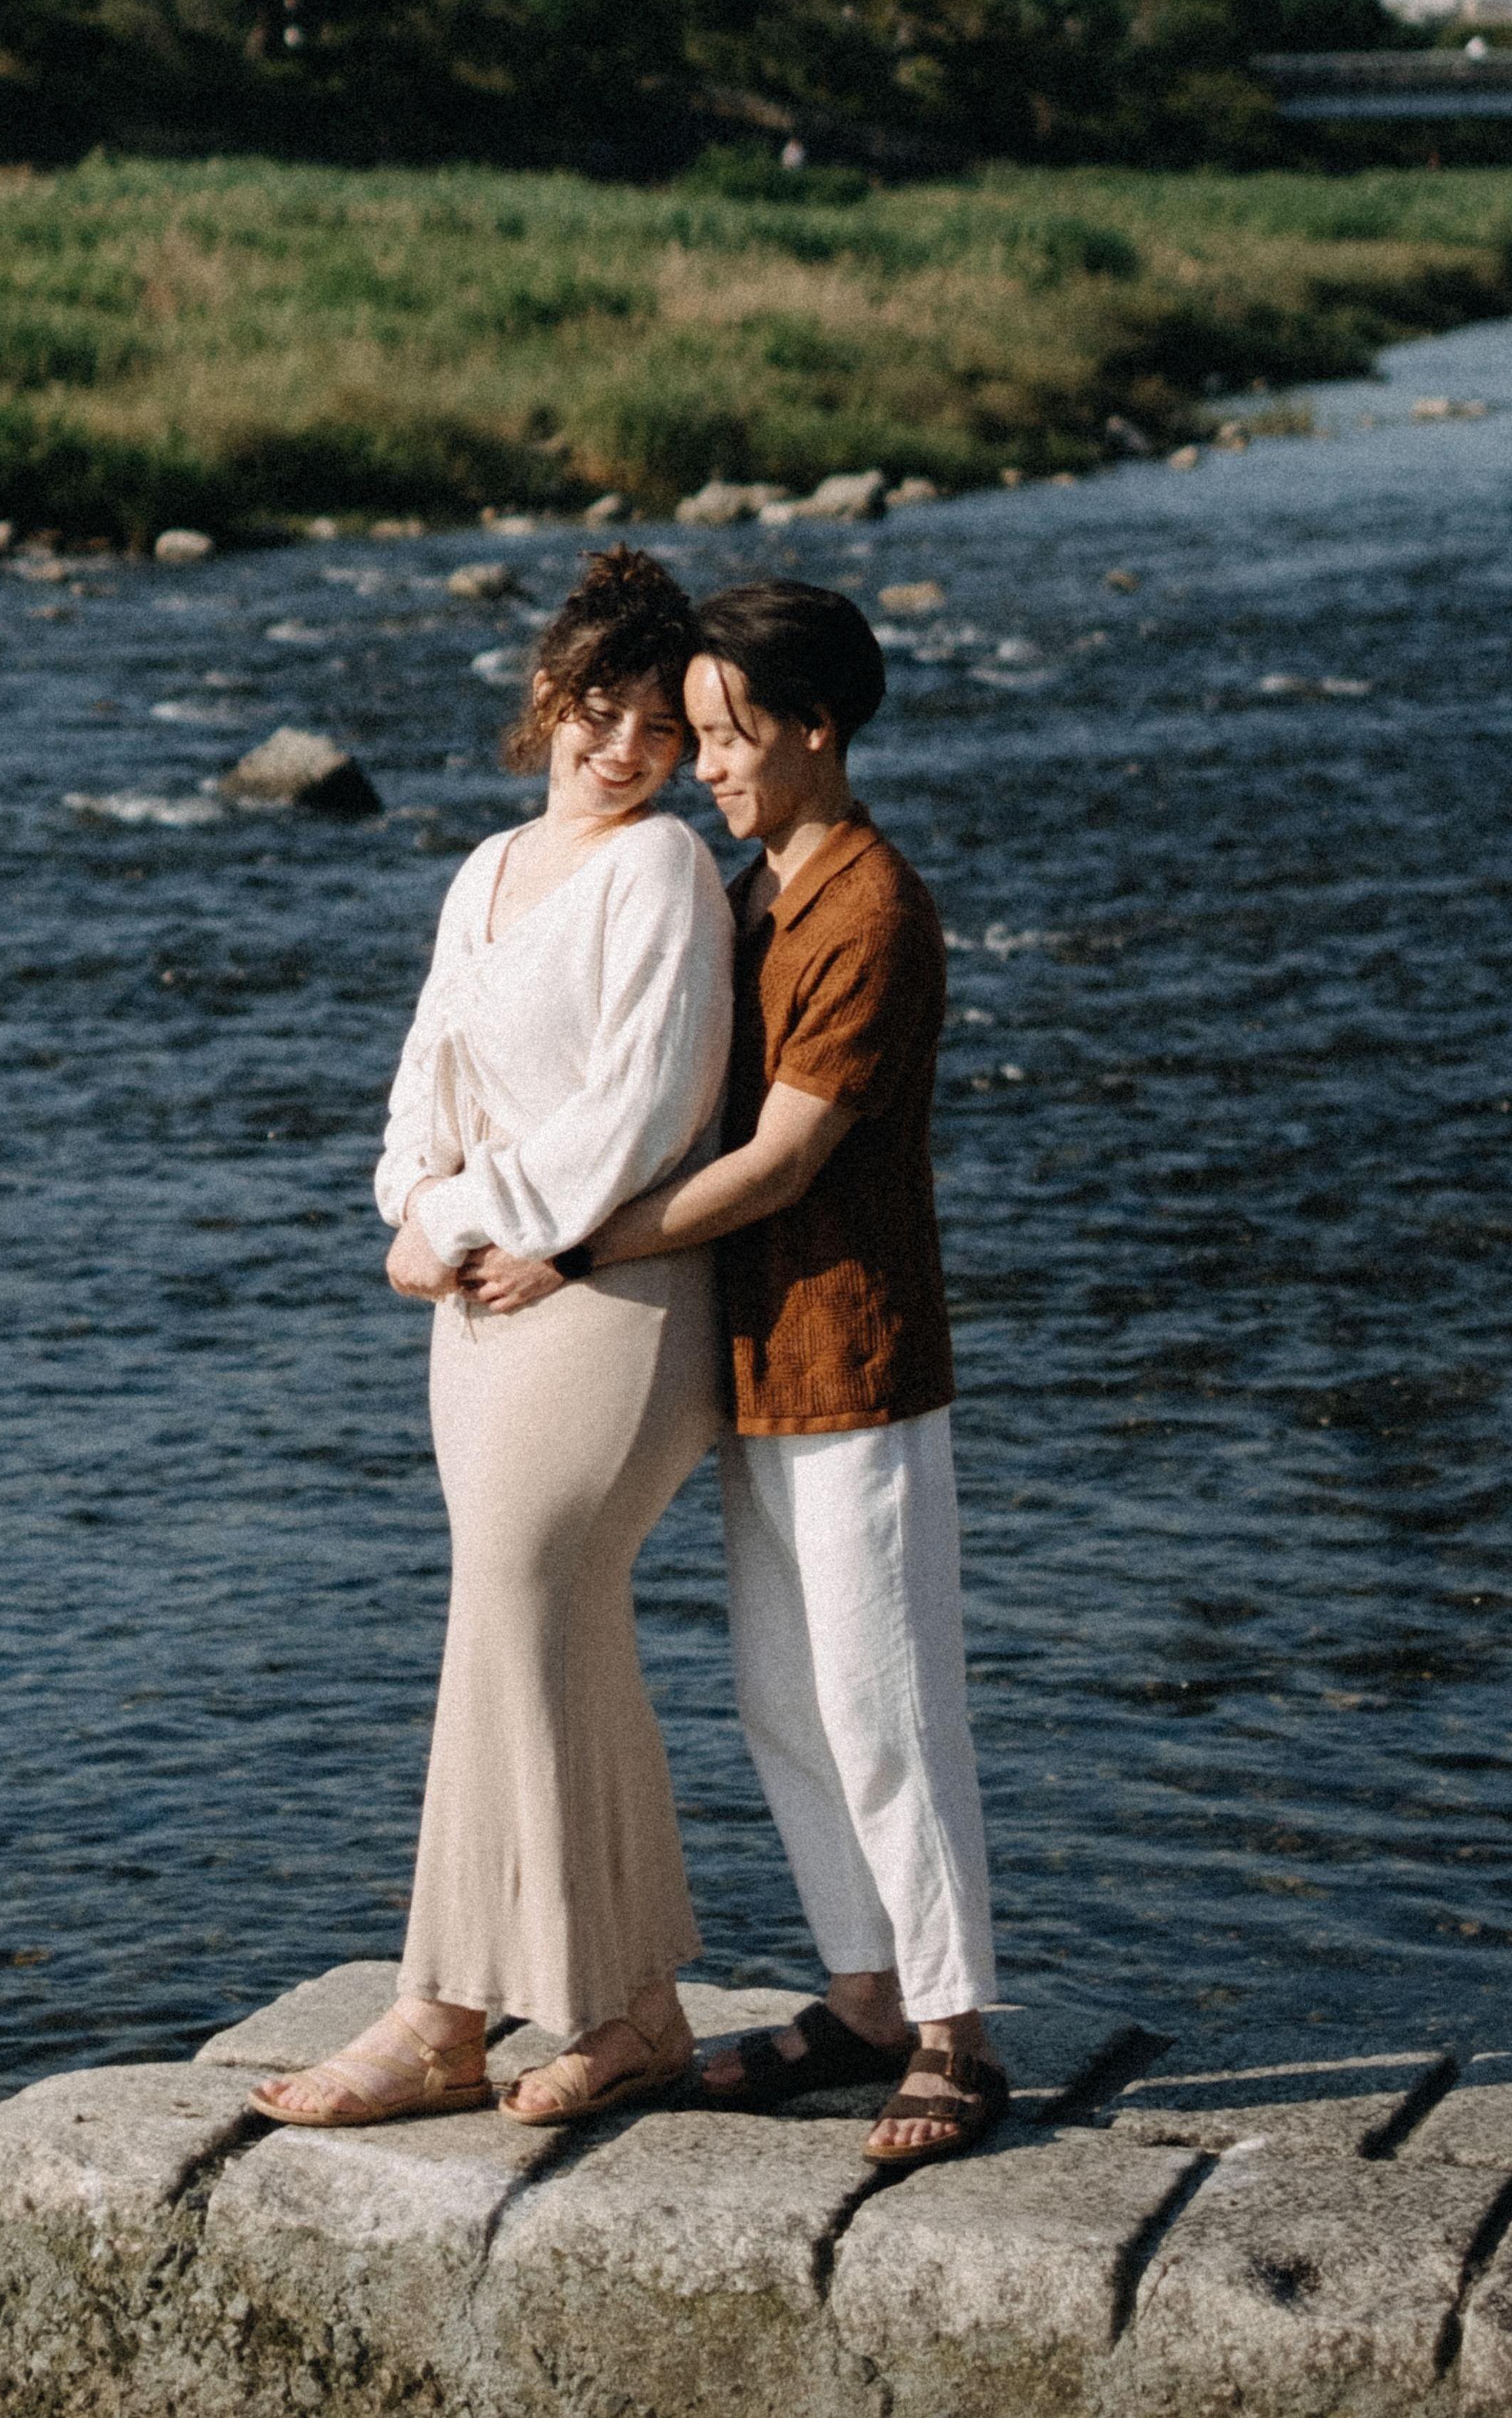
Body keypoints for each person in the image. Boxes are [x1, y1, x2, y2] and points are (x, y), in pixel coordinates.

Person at [463, 579, 1003, 2170]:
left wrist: (572, 1242)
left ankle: (959, 2036)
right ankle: (862, 1998)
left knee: (888, 1706)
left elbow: (777, 1162)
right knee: (786, 1701)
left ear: (817, 729)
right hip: (757, 1358)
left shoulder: (870, 910)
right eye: (692, 732)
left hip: (858, 1358)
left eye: (726, 734)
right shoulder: (762, 888)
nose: (699, 763)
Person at [252, 550, 734, 2131]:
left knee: (517, 1603)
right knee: (556, 1628)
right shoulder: (480, 871)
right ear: (547, 702)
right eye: (599, 712)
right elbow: (423, 1080)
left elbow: (650, 1108)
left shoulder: (658, 873)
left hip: (608, 1297)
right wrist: (416, 1201)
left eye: (660, 725)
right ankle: (637, 2009)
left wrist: (481, 1219)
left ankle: (437, 2018)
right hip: (477, 1305)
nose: (625, 748)